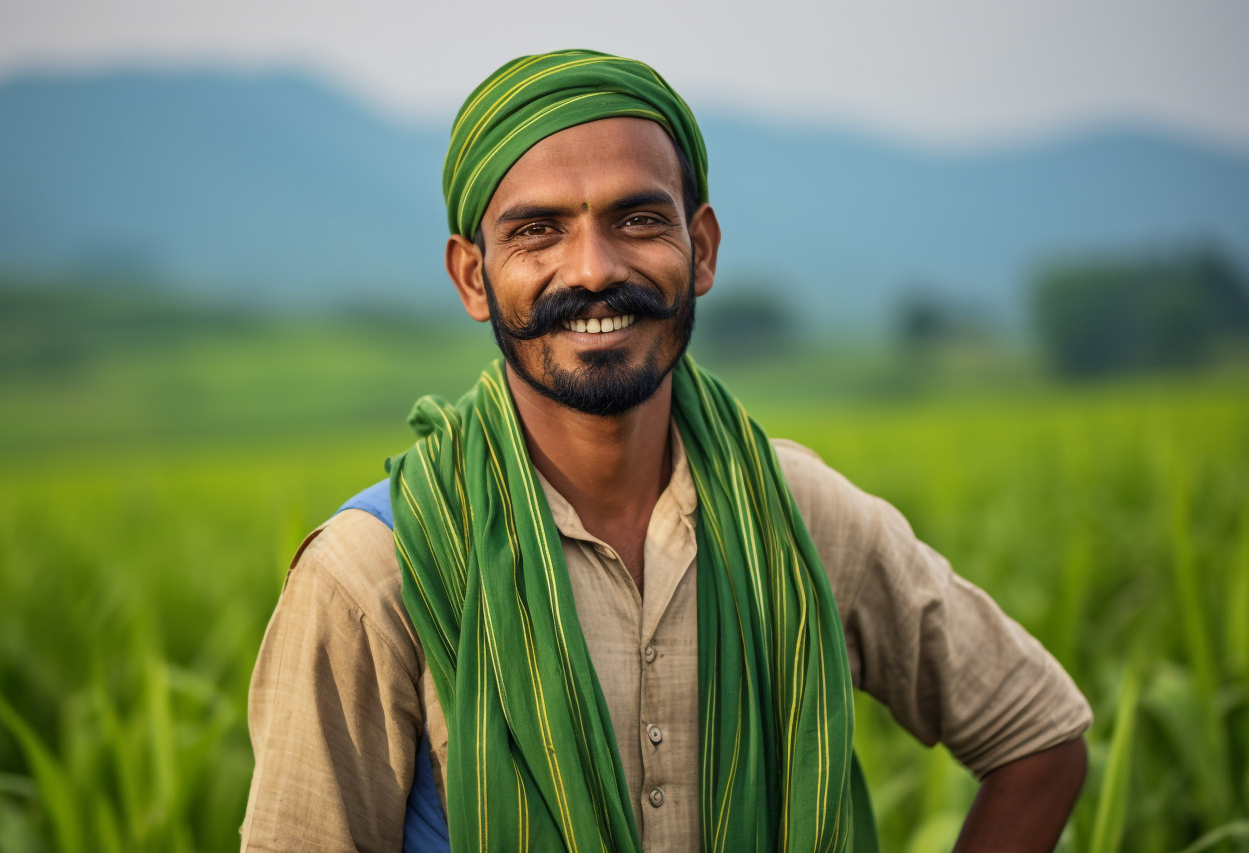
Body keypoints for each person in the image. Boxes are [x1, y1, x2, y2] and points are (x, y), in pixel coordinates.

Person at [240, 49, 1092, 852]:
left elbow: (1038, 733)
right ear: (472, 276)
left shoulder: (794, 512)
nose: (594, 269)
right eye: (537, 231)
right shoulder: (374, 574)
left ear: (704, 248)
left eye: (638, 218)